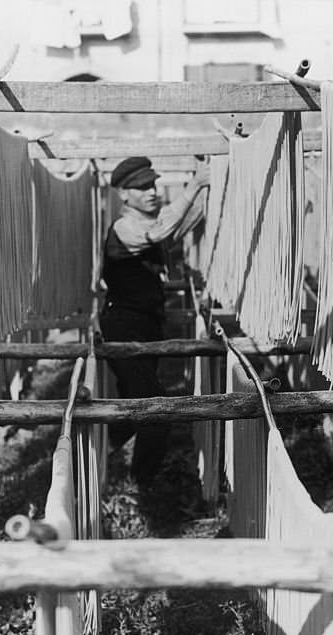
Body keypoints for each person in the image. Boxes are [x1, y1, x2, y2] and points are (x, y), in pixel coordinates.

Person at [100, 155, 209, 486]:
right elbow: (162, 228)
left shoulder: (149, 227)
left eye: (152, 184)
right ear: (123, 194)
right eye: (141, 187)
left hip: (145, 325)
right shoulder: (125, 227)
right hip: (124, 326)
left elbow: (181, 224)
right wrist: (194, 186)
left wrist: (211, 188)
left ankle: (100, 452)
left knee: (134, 400)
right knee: (155, 408)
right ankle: (142, 484)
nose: (151, 191)